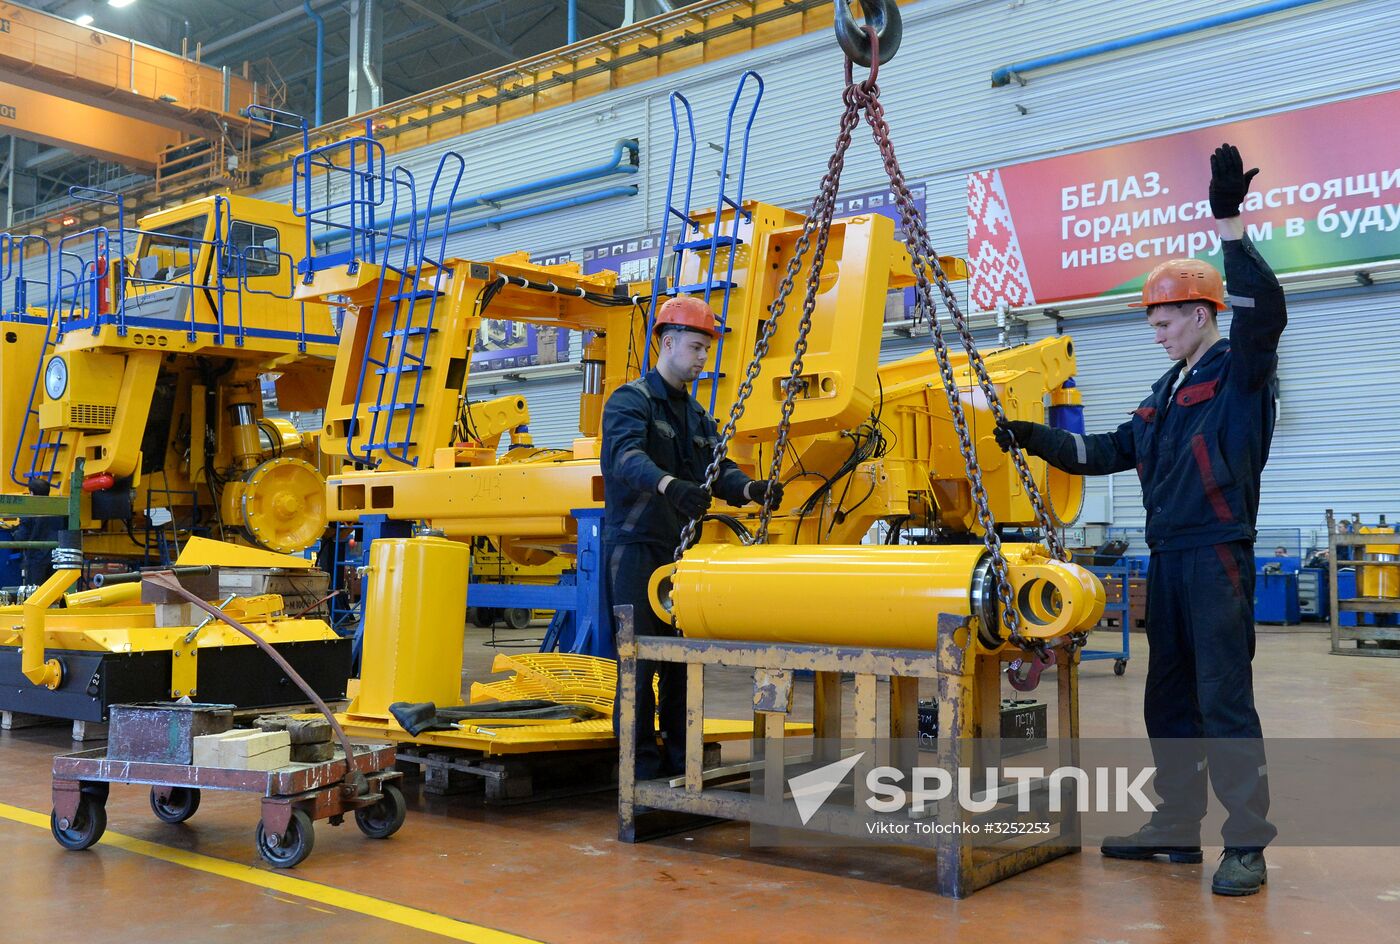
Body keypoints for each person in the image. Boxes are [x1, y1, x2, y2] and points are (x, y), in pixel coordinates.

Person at [995, 144, 1285, 896]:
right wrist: (1030, 437)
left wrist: (1229, 222)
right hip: (1170, 559)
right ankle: (1175, 828)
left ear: (1199, 314)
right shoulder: (1165, 388)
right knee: (1170, 699)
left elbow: (1267, 313)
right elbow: (1106, 450)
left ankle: (1246, 843)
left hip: (1218, 554)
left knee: (1223, 697)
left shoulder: (1238, 373)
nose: (1154, 332)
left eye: (1162, 321)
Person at [601, 296, 783, 779]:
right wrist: (669, 485)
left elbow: (716, 467)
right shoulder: (630, 401)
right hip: (637, 550)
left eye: (707, 349)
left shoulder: (697, 416)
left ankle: (682, 767)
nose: (704, 358)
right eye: (697, 347)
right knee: (637, 666)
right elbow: (623, 458)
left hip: (683, 558)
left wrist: (749, 488)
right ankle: (636, 776)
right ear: (666, 341)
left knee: (683, 666)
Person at [16, 475, 64, 588]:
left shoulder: (29, 510)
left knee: (35, 592)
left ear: (32, 493)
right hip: (58, 557)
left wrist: (14, 533)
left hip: (36, 559)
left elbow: (21, 537)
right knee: (55, 591)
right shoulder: (60, 507)